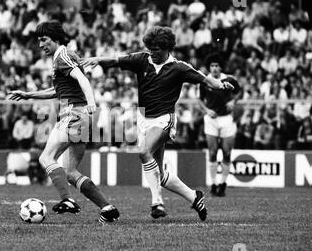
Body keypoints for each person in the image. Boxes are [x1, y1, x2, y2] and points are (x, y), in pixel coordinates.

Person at [82, 26, 234, 220]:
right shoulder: (141, 60)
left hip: (164, 119)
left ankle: (157, 203)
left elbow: (206, 80)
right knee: (159, 174)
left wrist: (221, 85)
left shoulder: (179, 67)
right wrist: (97, 59)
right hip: (143, 118)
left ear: (167, 49)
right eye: (150, 48)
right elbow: (116, 60)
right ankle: (194, 197)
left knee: (143, 152)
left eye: (156, 49)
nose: (152, 52)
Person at [7, 21, 119, 223]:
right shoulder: (64, 56)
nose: (40, 45)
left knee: (45, 158)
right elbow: (57, 91)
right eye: (39, 41)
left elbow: (83, 80)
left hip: (75, 113)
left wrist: (92, 102)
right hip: (82, 115)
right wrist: (28, 94)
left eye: (44, 40)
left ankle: (67, 200)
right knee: (70, 172)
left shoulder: (61, 55)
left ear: (55, 38)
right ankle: (107, 208)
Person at [198, 54, 241, 197]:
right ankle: (214, 183)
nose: (215, 68)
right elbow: (200, 100)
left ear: (220, 67)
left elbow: (239, 92)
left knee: (227, 152)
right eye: (212, 66)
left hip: (226, 118)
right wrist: (207, 110)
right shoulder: (205, 81)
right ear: (209, 67)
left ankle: (223, 182)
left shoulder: (229, 79)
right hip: (211, 120)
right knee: (212, 152)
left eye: (217, 65)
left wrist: (233, 102)